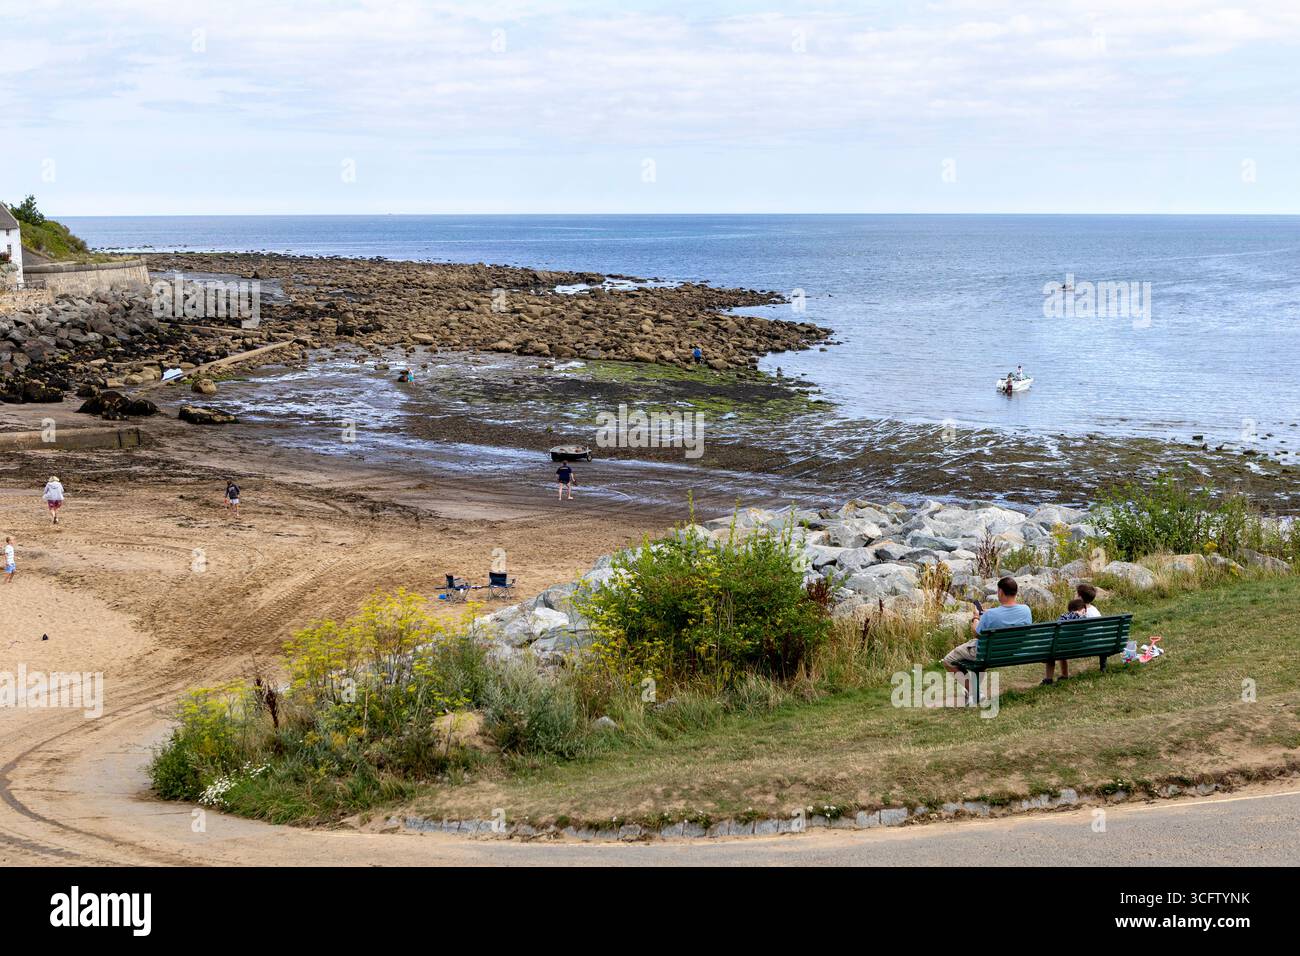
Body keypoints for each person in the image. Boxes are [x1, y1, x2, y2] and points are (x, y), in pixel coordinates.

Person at [942, 576, 1032, 698]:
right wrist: (987, 615)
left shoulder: (990, 615)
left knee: (948, 660)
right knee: (982, 649)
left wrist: (976, 617)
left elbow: (976, 633)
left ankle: (973, 691)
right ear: (1015, 592)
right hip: (1014, 650)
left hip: (990, 653)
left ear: (1000, 592)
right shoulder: (1026, 610)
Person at [1046, 597, 1089, 682]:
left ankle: (1051, 678)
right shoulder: (1086, 619)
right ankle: (1064, 675)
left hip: (1064, 647)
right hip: (1080, 646)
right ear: (1083, 610)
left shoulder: (1065, 617)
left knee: (1056, 649)